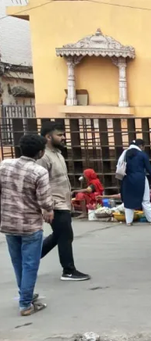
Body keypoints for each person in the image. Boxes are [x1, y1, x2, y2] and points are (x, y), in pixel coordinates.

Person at [2, 134, 52, 316]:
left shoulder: (4, 165)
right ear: (40, 152)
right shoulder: (39, 171)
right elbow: (45, 201)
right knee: (30, 264)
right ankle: (25, 304)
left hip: (8, 222)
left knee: (18, 262)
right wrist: (49, 209)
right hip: (30, 224)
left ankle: (25, 294)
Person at [38, 122, 90, 281]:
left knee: (59, 235)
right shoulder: (43, 157)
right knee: (65, 235)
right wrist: (46, 208)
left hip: (63, 202)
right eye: (59, 135)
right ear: (48, 137)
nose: (63, 137)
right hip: (54, 203)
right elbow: (40, 183)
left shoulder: (58, 154)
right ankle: (68, 270)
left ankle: (30, 258)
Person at [121, 139, 151, 226]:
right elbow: (149, 168)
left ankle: (129, 222)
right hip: (140, 179)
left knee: (129, 199)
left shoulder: (125, 154)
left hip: (127, 178)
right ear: (141, 146)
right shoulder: (142, 154)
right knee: (145, 200)